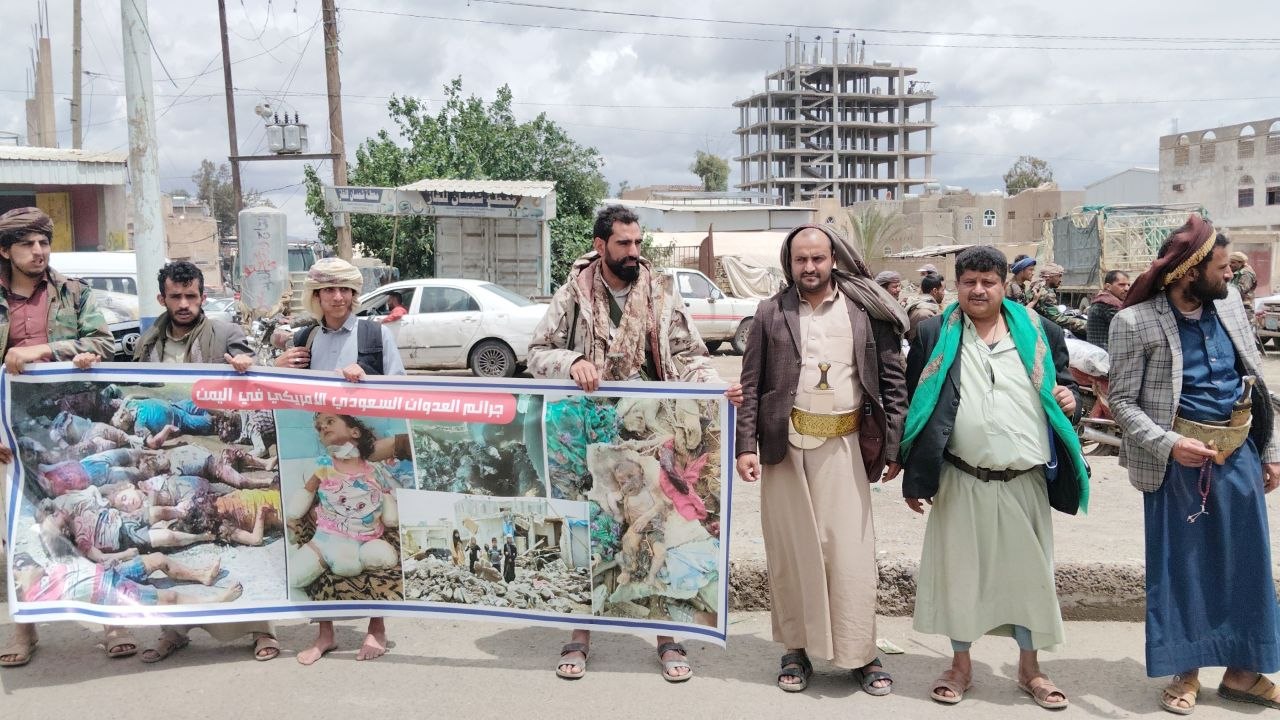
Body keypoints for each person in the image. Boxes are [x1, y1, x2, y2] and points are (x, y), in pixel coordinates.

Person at [527, 203, 743, 682]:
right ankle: (579, 634)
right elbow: (537, 352)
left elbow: (688, 353)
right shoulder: (573, 295)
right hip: (591, 428)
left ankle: (668, 638)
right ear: (600, 245)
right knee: (593, 527)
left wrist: (713, 388)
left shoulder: (661, 291)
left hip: (652, 432)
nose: (633, 252)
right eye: (623, 243)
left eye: (638, 242)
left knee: (656, 527)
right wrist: (572, 362)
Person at [889, 245, 1088, 709]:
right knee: (961, 576)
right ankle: (960, 667)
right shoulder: (933, 334)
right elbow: (917, 405)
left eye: (988, 282)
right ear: (956, 286)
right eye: (969, 282)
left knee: (1030, 579)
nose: (978, 290)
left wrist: (1072, 400)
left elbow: (1066, 388)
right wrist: (915, 476)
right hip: (960, 478)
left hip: (1025, 481)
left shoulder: (1040, 331)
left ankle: (1030, 669)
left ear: (1004, 285)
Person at [1108, 215, 1280, 714]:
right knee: (1182, 568)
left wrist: (1270, 452)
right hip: (1176, 468)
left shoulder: (1230, 311)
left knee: (1247, 565)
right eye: (1222, 267)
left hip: (1239, 457)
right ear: (1189, 271)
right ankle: (1185, 670)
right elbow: (1122, 402)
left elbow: (1258, 384)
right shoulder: (1134, 322)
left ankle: (1243, 673)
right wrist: (1168, 444)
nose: (1230, 275)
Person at [735, 223, 908, 694]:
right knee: (791, 555)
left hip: (845, 447)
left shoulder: (865, 310)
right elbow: (751, 384)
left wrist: (894, 447)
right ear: (788, 263)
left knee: (850, 554)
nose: (809, 267)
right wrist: (746, 446)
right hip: (784, 451)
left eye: (817, 258)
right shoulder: (770, 312)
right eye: (800, 259)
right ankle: (796, 649)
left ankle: (860, 653)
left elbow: (892, 382)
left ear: (834, 260)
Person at [133, 260, 281, 663]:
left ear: (202, 297)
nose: (184, 304)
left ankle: (261, 630)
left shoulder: (225, 334)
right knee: (181, 547)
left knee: (239, 545)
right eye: (175, 296)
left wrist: (245, 364)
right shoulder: (147, 343)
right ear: (162, 298)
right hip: (174, 461)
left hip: (216, 452)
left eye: (191, 296)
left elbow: (251, 371)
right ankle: (174, 630)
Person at [0, 207, 122, 668]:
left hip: (69, 427)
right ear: (5, 251)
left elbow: (103, 343)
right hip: (9, 434)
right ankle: (25, 629)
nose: (38, 252)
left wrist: (44, 349)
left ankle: (112, 621)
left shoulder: (74, 293)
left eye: (44, 243)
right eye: (27, 244)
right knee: (19, 533)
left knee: (90, 515)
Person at [274, 256, 404, 665]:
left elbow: (401, 391)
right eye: (328, 289)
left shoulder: (375, 336)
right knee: (319, 537)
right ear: (316, 295)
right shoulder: (305, 338)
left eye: (345, 289)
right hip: (322, 460)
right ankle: (325, 633)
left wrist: (369, 382)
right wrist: (276, 368)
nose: (337, 297)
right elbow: (286, 395)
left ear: (354, 293)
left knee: (373, 538)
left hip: (365, 459)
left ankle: (376, 629)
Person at [1027, 262, 1087, 338]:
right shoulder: (1046, 292)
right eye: (1059, 276)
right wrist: (1084, 325)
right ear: (1049, 277)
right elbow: (1057, 319)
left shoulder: (1036, 286)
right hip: (1042, 332)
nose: (1061, 280)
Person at [1085, 270, 1130, 351]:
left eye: (1128, 285)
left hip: (1097, 351)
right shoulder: (1109, 304)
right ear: (1108, 286)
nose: (1127, 288)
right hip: (1106, 353)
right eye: (1121, 285)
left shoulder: (1104, 300)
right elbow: (1128, 328)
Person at [907, 273, 945, 342]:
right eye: (943, 290)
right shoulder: (926, 314)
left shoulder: (922, 305)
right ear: (935, 291)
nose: (944, 293)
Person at [1229, 251, 1258, 322]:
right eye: (1230, 262)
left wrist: (1225, 287)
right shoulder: (1236, 272)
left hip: (1245, 308)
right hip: (1237, 307)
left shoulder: (1246, 273)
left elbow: (1241, 289)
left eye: (1233, 262)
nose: (1230, 264)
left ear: (1241, 263)